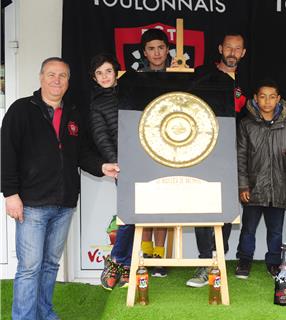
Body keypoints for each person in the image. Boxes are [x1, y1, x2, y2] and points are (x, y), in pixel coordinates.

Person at [1, 57, 120, 320]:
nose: (57, 80)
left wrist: (102, 167)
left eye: (62, 76)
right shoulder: (21, 110)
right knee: (30, 268)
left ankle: (45, 313)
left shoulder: (74, 114)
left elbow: (83, 154)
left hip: (64, 204)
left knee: (50, 264)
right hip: (31, 203)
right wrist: (10, 194)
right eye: (51, 75)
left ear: (68, 81)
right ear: (41, 77)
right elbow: (6, 154)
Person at [186, 32, 248, 288]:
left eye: (237, 49)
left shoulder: (246, 81)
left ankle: (217, 263)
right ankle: (204, 263)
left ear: (243, 53)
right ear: (220, 48)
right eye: (228, 48)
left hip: (232, 156)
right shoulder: (202, 74)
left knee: (225, 211)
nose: (232, 53)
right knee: (202, 209)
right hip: (203, 153)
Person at [235, 79, 286, 278]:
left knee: (275, 230)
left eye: (272, 97)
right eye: (262, 96)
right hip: (254, 187)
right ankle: (244, 261)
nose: (267, 101)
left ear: (278, 99)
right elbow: (240, 156)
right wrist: (243, 185)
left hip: (278, 186)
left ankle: (274, 262)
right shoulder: (246, 124)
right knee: (248, 229)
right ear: (255, 99)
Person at [88, 53, 134, 290]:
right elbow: (101, 137)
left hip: (146, 161)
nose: (104, 76)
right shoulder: (96, 103)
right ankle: (118, 260)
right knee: (128, 215)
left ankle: (125, 265)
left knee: (139, 215)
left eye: (108, 71)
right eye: (99, 73)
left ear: (116, 72)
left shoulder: (132, 91)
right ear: (94, 78)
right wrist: (116, 163)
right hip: (122, 167)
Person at [138, 28, 178, 276]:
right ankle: (144, 256)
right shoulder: (135, 79)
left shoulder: (179, 76)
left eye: (161, 48)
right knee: (145, 205)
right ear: (144, 52)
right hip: (143, 147)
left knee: (163, 206)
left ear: (167, 50)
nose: (156, 53)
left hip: (172, 147)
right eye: (151, 48)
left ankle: (159, 258)